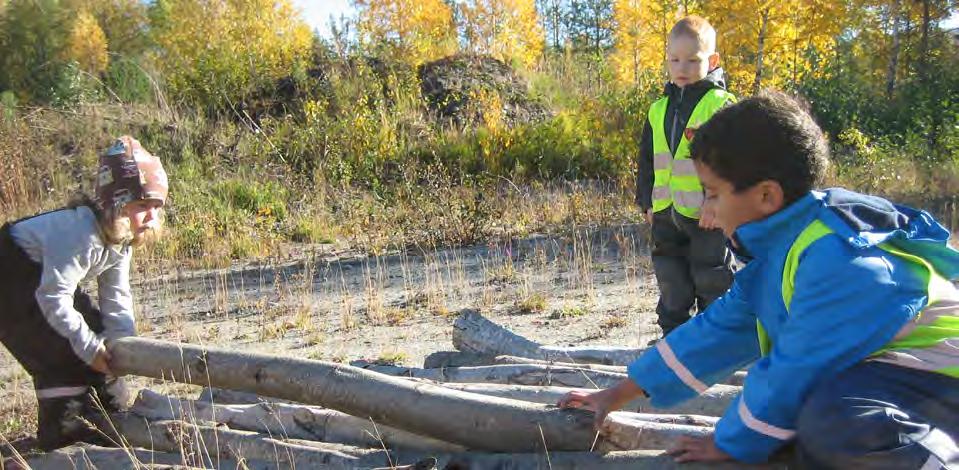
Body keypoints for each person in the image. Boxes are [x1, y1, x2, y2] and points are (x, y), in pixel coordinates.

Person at [563, 91, 959, 468]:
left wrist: (729, 443)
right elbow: (710, 336)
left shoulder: (838, 260)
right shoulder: (781, 252)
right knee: (810, 423)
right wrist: (613, 396)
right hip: (891, 380)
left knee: (837, 425)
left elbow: (795, 370)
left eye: (713, 194)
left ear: (766, 196)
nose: (708, 209)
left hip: (937, 380)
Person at [0, 136, 168, 450]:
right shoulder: (81, 234)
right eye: (143, 205)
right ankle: (63, 434)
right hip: (8, 278)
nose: (152, 217)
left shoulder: (121, 238)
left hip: (37, 282)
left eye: (157, 207)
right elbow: (52, 297)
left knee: (94, 332)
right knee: (62, 350)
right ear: (117, 202)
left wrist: (122, 348)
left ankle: (109, 420)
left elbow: (116, 296)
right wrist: (91, 349)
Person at [637, 15, 736, 339]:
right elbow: (648, 160)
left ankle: (715, 340)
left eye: (693, 60)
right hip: (666, 214)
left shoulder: (719, 105)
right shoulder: (658, 109)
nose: (682, 67)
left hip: (707, 215)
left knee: (712, 277)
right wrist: (646, 202)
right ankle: (673, 339)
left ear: (713, 60)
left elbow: (730, 162)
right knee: (670, 279)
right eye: (674, 59)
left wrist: (715, 200)